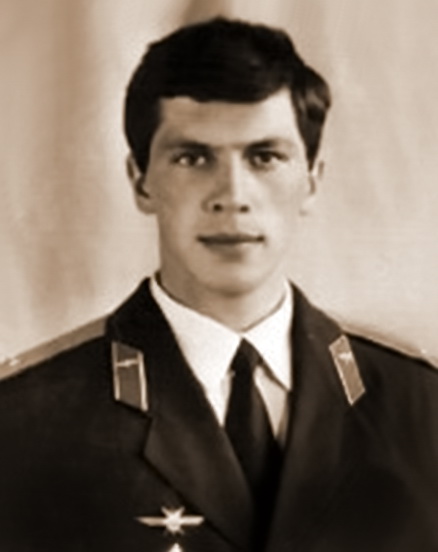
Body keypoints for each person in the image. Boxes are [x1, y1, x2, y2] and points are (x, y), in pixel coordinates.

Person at [0, 17, 437, 552]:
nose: (232, 196)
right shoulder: (25, 420)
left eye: (265, 157)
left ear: (312, 180)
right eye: (193, 158)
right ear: (141, 180)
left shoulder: (420, 407)